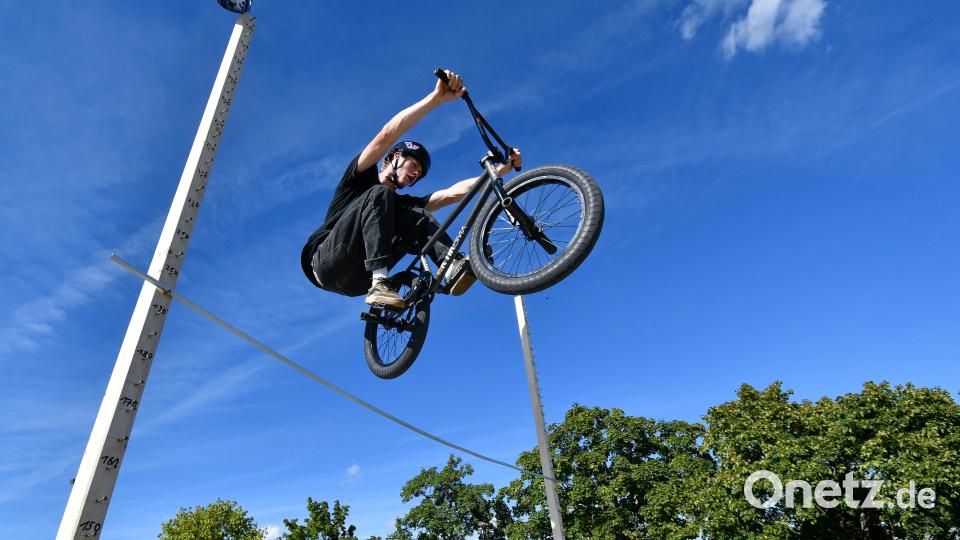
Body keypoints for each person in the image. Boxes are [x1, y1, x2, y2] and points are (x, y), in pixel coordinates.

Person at [300, 70, 521, 309]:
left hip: (358, 281)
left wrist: (500, 171)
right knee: (379, 194)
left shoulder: (404, 205)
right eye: (414, 165)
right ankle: (380, 282)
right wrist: (435, 99)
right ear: (395, 156)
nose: (416, 174)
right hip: (328, 260)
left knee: (420, 217)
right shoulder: (360, 178)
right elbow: (387, 135)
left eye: (419, 174)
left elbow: (451, 193)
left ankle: (452, 266)